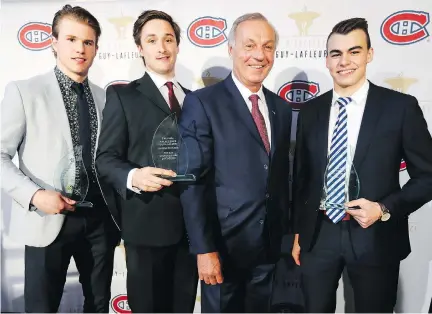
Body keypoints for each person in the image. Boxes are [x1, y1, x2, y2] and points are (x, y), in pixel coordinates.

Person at [291, 17, 432, 313]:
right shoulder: (311, 111)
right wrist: (297, 233)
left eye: (354, 52)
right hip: (318, 236)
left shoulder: (400, 108)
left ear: (369, 54)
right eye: (336, 53)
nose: (345, 61)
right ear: (327, 60)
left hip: (375, 236)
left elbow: (428, 176)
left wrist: (383, 209)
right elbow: (302, 178)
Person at [0, 4, 120, 312]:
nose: (80, 48)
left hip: (99, 221)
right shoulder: (25, 92)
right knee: (42, 307)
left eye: (88, 42)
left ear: (96, 48)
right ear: (54, 43)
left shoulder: (107, 98)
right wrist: (35, 195)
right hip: (46, 218)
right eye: (71, 39)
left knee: (99, 305)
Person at [178, 12, 292, 313]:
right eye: (250, 45)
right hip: (222, 249)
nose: (259, 55)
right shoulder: (203, 103)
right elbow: (192, 183)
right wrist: (204, 249)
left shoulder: (281, 106)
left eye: (267, 47)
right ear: (231, 50)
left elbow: (282, 177)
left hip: (268, 249)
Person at [95, 10, 198, 313]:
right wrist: (134, 176)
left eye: (168, 39)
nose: (162, 48)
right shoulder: (123, 96)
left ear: (178, 45)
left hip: (192, 230)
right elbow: (105, 159)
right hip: (147, 226)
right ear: (140, 48)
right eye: (152, 40)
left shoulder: (195, 100)